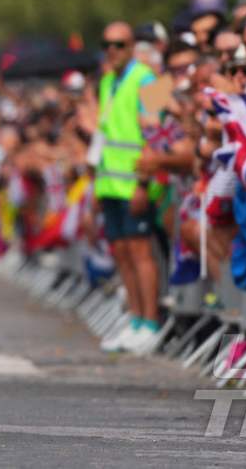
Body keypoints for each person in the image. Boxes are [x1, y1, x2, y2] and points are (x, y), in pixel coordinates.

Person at [93, 21, 162, 354]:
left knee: (141, 254)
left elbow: (157, 136)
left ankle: (150, 322)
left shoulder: (149, 79)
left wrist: (143, 184)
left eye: (119, 44)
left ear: (132, 47)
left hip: (136, 182)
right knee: (121, 253)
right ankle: (134, 320)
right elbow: (105, 133)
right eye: (107, 44)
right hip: (110, 182)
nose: (112, 50)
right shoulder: (107, 81)